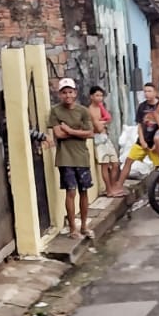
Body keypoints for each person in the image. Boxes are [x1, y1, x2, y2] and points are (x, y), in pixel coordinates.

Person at [47, 77, 97, 237]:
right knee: (71, 192)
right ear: (59, 94)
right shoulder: (55, 111)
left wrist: (69, 130)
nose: (67, 95)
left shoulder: (83, 111)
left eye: (70, 92)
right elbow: (58, 134)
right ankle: (73, 229)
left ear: (75, 93)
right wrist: (77, 132)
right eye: (64, 92)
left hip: (82, 157)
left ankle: (84, 226)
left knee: (84, 191)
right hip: (65, 158)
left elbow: (90, 133)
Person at [117, 104, 159, 190]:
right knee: (128, 161)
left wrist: (157, 143)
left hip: (154, 143)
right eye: (146, 91)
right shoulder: (142, 106)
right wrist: (142, 141)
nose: (147, 93)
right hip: (141, 143)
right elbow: (139, 125)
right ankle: (119, 186)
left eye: (149, 91)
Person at [89, 85, 121, 197]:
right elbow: (98, 127)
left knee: (115, 164)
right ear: (91, 96)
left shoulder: (100, 107)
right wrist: (103, 122)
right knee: (105, 165)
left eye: (101, 95)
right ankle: (109, 190)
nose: (100, 98)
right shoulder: (91, 110)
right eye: (97, 95)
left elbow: (108, 118)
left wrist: (101, 121)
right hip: (99, 139)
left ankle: (112, 187)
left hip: (105, 137)